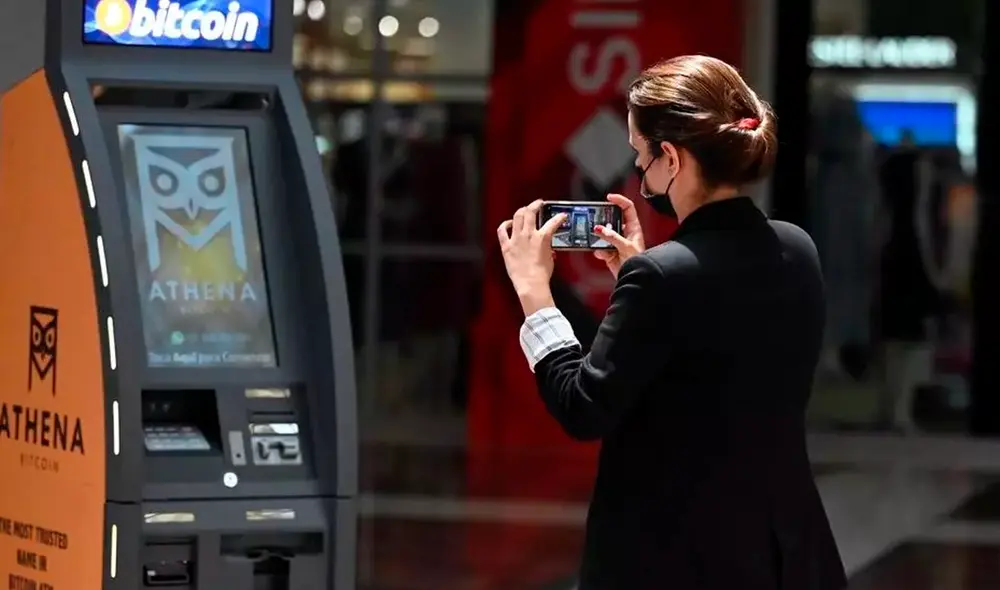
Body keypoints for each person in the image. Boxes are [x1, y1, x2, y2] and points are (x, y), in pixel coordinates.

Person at [496, 56, 845, 590]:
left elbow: (584, 405)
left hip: (676, 558)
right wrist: (634, 280)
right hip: (783, 552)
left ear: (672, 159)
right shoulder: (797, 249)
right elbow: (707, 358)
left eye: (641, 153)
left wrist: (535, 295)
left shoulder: (661, 278)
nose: (639, 171)